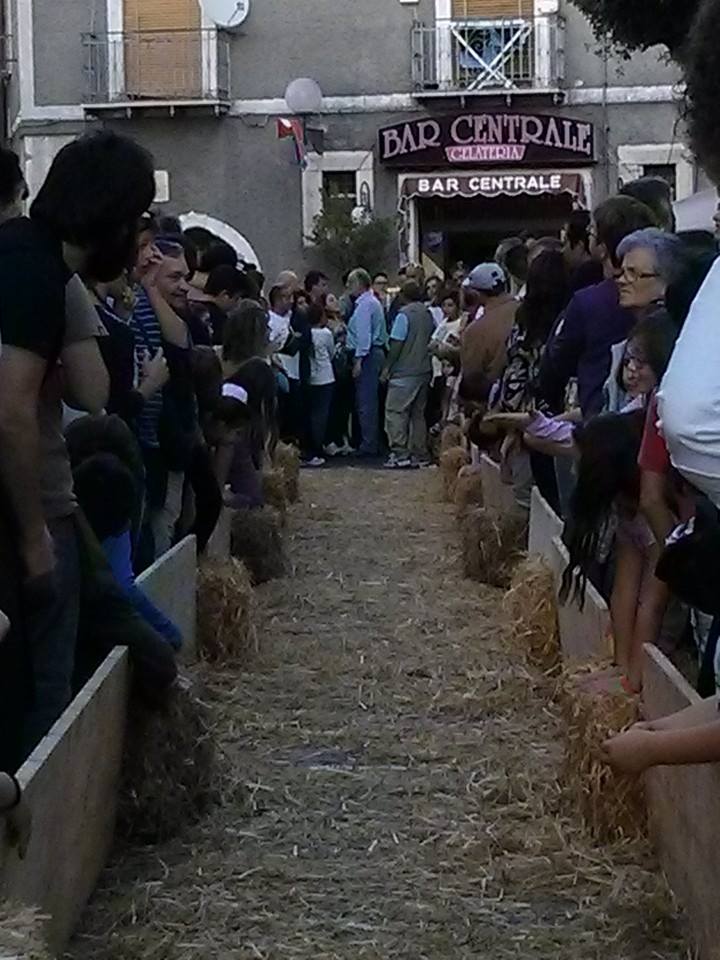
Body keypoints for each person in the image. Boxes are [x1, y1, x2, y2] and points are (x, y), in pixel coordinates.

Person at [0, 131, 176, 754]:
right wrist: (34, 536)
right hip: (26, 513)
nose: (139, 239)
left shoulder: (32, 259)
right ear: (110, 217)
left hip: (37, 507)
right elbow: (11, 411)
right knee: (44, 695)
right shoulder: (31, 269)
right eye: (136, 220)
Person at [538, 195, 658, 418]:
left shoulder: (589, 301)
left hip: (603, 417)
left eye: (592, 231)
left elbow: (558, 361)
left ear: (603, 246)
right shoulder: (661, 297)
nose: (625, 282)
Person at [381, 280, 435, 469]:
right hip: (424, 370)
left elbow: (397, 342)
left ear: (403, 296)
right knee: (418, 415)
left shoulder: (404, 315)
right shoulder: (427, 313)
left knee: (396, 412)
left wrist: (388, 367)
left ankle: (400, 453)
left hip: (403, 372)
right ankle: (419, 453)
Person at [459, 263, 520, 402]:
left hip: (493, 404)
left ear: (476, 293)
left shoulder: (475, 331)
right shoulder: (526, 310)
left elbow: (471, 381)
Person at [347, 268, 388, 457]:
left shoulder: (365, 305)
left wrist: (358, 360)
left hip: (368, 355)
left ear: (359, 284)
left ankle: (368, 444)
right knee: (370, 400)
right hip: (375, 353)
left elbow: (364, 335)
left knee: (366, 401)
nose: (349, 287)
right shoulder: (373, 302)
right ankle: (372, 441)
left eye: (351, 283)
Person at [305, 304, 336, 467]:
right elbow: (331, 352)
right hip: (325, 376)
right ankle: (319, 445)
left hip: (311, 377)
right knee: (322, 414)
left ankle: (314, 445)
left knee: (312, 413)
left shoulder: (306, 333)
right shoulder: (326, 334)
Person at [562, 210, 605, 293]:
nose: (563, 250)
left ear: (579, 244)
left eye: (565, 242)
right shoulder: (607, 273)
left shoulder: (578, 280)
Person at [203, 265, 247, 346]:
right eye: (236, 298)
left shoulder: (192, 307)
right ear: (225, 295)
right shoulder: (222, 324)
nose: (238, 303)